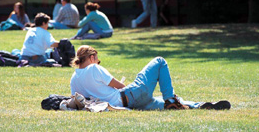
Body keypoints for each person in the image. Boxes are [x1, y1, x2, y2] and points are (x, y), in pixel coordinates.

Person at [70, 45, 231, 111]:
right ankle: (171, 99)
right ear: (91, 58)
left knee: (165, 103)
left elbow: (82, 101)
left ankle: (198, 105)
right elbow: (119, 86)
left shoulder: (74, 79)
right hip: (130, 96)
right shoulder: (94, 68)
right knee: (160, 61)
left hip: (129, 105)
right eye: (97, 58)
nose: (98, 62)